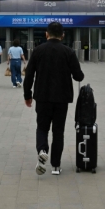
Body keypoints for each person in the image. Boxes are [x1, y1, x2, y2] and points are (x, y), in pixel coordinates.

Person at [23, 22, 84, 176]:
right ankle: (56, 166)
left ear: (46, 34)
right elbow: (78, 76)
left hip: (42, 97)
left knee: (42, 127)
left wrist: (27, 95)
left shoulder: (38, 51)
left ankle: (43, 150)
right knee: (58, 131)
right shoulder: (68, 52)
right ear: (62, 35)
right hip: (62, 99)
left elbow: (29, 75)